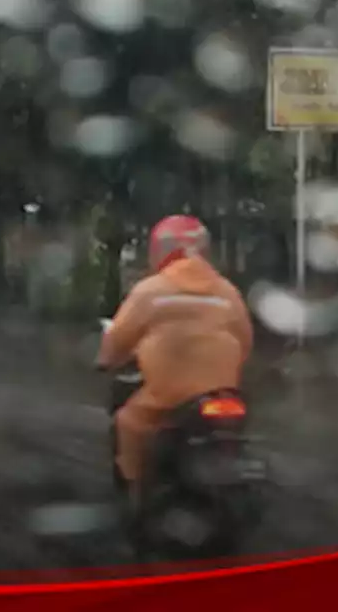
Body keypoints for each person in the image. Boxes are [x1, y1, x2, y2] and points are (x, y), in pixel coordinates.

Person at [94, 214, 254, 502]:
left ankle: (136, 493)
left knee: (128, 422)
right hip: (224, 395)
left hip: (168, 397)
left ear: (160, 251)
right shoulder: (228, 292)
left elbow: (117, 340)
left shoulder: (150, 291)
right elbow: (245, 341)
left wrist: (106, 360)